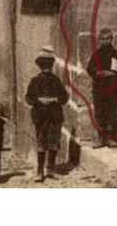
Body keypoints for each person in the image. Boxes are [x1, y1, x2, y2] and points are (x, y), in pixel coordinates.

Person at [25, 47, 69, 182]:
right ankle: (40, 171)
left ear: (51, 66)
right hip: (41, 117)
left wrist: (54, 99)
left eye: (48, 65)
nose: (46, 69)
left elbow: (64, 98)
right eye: (44, 66)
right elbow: (29, 98)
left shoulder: (55, 80)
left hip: (54, 116)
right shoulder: (35, 81)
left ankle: (49, 169)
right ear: (40, 66)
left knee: (53, 142)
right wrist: (39, 100)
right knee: (42, 142)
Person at [86, 27, 117, 148]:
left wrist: (113, 73)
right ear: (100, 40)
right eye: (103, 39)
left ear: (112, 39)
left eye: (108, 39)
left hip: (113, 89)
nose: (106, 41)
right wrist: (97, 72)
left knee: (112, 112)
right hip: (99, 88)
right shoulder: (96, 54)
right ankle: (101, 139)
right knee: (100, 113)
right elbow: (89, 68)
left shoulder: (116, 54)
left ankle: (112, 138)